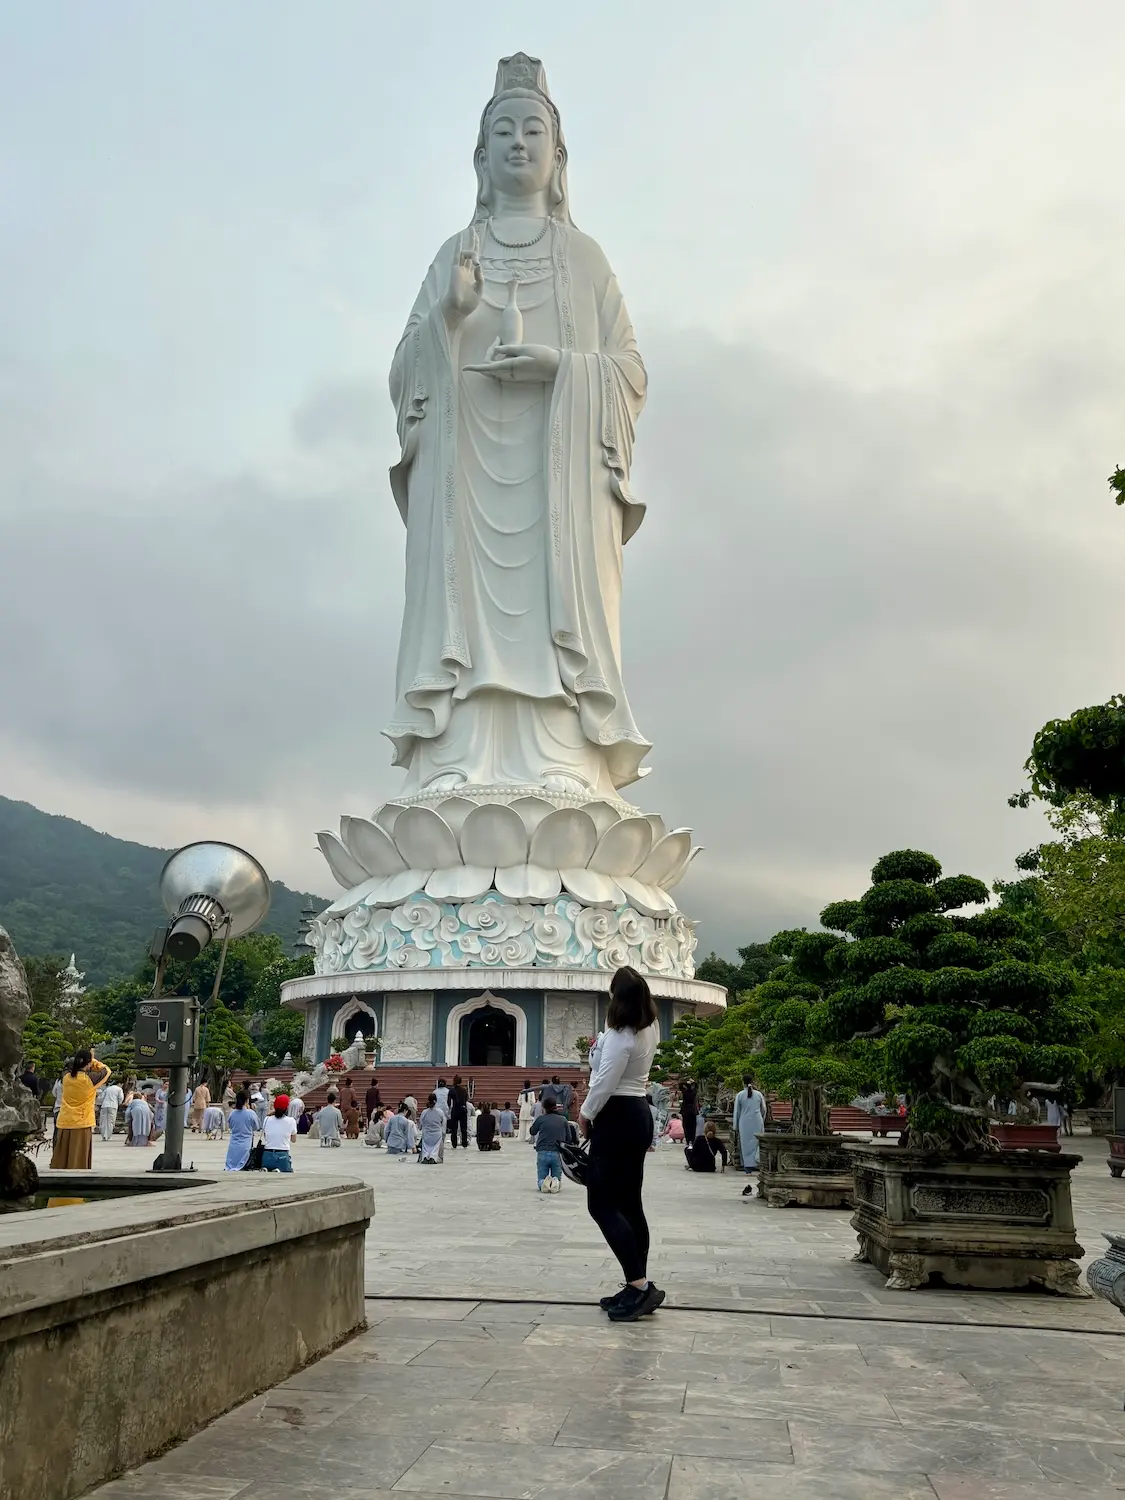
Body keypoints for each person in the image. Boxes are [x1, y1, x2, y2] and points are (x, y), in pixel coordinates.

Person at [580, 966, 663, 1321]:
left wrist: (585, 1114)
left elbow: (604, 1081)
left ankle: (639, 1284)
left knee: (600, 1202)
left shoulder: (619, 1036)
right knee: (630, 1202)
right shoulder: (650, 1029)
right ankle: (637, 1286)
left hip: (616, 1114)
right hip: (638, 1111)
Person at [50, 1051, 111, 1169]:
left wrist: (86, 1061)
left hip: (65, 1121)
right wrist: (94, 1062)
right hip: (82, 1122)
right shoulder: (90, 1078)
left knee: (63, 1156)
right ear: (88, 1064)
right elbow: (106, 1070)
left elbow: (69, 1067)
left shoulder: (66, 1077)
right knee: (77, 1157)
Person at [733, 1074, 767, 1196]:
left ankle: (748, 1165)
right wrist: (761, 1119)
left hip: (744, 1121)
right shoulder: (758, 1094)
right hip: (757, 1120)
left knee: (746, 1144)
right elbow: (764, 1109)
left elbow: (736, 1111)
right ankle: (757, 1163)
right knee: (757, 1143)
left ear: (743, 1082)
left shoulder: (740, 1095)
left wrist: (735, 1126)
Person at [530, 1095, 568, 1192]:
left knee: (541, 1178)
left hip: (542, 1151)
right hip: (558, 1152)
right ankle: (556, 1181)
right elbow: (569, 1138)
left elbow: (532, 1131)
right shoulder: (563, 1119)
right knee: (557, 1177)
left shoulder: (541, 1119)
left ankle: (543, 1183)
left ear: (544, 1107)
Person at [261, 1093, 297, 1172]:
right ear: (286, 1108)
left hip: (267, 1155)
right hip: (282, 1155)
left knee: (267, 1166)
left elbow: (266, 1137)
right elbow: (293, 1140)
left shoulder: (267, 1119)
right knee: (288, 1170)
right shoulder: (291, 1121)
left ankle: (267, 1167)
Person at [225, 1090, 257, 1170]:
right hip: (246, 1142)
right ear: (247, 1100)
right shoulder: (251, 1113)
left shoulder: (232, 1113)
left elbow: (230, 1125)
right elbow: (256, 1126)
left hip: (234, 1142)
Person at [418, 1094, 446, 1164]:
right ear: (436, 1101)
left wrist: (421, 1128)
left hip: (427, 1133)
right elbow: (443, 1123)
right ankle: (433, 1157)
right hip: (437, 1133)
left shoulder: (424, 1112)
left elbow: (420, 1123)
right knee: (435, 1147)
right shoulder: (440, 1112)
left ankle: (425, 1157)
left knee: (426, 1146)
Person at [98, 1078, 124, 1142]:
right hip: (113, 1106)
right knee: (111, 1121)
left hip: (104, 1105)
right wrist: (119, 1103)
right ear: (119, 1084)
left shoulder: (107, 1088)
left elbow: (101, 1097)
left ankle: (104, 1135)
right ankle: (108, 1136)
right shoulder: (119, 1089)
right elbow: (121, 1098)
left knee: (103, 1121)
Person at [448, 1075, 470, 1149]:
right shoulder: (464, 1090)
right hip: (463, 1110)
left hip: (455, 1110)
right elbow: (466, 1099)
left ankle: (454, 1143)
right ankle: (464, 1142)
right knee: (463, 1128)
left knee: (454, 1128)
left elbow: (448, 1102)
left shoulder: (451, 1090)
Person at [680, 1080, 698, 1145]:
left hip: (685, 1111)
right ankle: (692, 1140)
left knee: (686, 1126)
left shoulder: (685, 1092)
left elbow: (680, 1085)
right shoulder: (694, 1093)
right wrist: (693, 1082)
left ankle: (688, 1140)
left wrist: (685, 1082)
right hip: (693, 1111)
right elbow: (696, 1086)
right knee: (693, 1127)